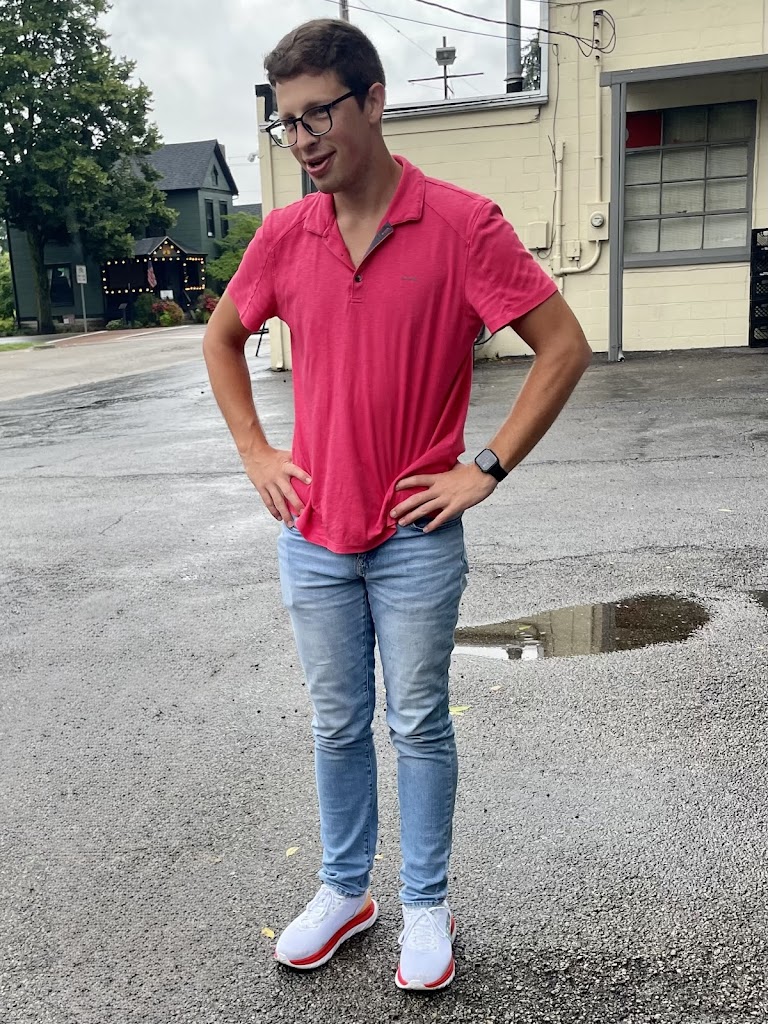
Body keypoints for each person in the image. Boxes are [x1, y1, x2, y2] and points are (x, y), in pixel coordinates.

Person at [203, 18, 591, 992]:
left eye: (318, 115)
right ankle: (346, 891)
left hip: (417, 537)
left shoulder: (462, 225)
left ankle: (424, 903)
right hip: (315, 534)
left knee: (417, 723)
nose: (303, 140)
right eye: (288, 123)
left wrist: (485, 467)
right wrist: (256, 452)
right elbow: (220, 339)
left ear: (374, 101)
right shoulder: (286, 236)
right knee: (338, 725)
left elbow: (563, 346)